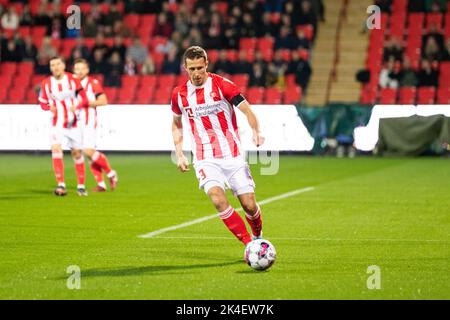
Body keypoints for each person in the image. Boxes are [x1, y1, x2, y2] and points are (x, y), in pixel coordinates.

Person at [171, 46, 265, 247]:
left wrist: (257, 131)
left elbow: (247, 111)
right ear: (185, 68)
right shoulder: (179, 94)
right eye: (191, 69)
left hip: (232, 155)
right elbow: (176, 123)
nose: (196, 73)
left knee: (248, 205)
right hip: (204, 157)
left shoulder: (223, 86)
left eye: (199, 68)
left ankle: (257, 235)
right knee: (217, 198)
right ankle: (250, 245)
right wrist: (179, 154)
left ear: (206, 64)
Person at [38, 56, 89, 196]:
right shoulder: (46, 83)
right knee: (56, 149)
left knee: (77, 153)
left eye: (57, 64)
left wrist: (77, 106)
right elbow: (42, 102)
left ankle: (81, 186)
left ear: (63, 65)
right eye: (52, 65)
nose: (55, 67)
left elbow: (84, 98)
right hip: (56, 122)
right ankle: (61, 185)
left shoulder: (73, 79)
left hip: (73, 122)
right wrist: (49, 107)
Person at [73, 58, 118, 192]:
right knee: (86, 153)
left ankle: (111, 173)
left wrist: (85, 103)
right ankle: (101, 184)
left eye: (82, 68)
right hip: (76, 122)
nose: (80, 71)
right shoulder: (71, 84)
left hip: (89, 120)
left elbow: (103, 100)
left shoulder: (93, 83)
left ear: (87, 70)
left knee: (88, 150)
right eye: (77, 69)